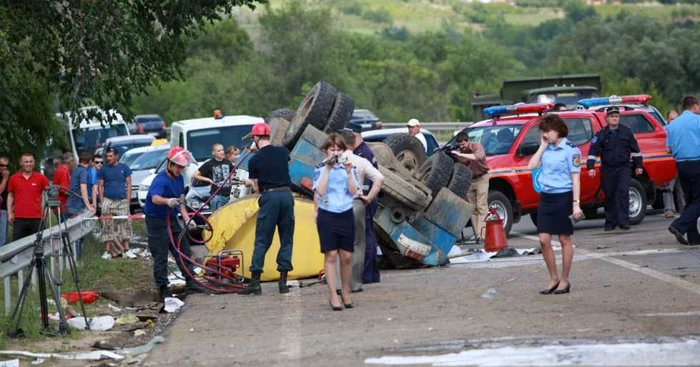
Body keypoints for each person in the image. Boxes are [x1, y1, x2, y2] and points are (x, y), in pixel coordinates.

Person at [528, 115, 583, 295]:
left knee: (564, 239)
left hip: (563, 197)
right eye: (543, 132)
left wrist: (576, 204)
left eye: (547, 131)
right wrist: (543, 146)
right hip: (546, 197)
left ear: (557, 130)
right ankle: (553, 277)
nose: (545, 135)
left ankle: (565, 280)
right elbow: (531, 165)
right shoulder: (546, 148)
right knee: (543, 239)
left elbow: (575, 178)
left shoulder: (570, 150)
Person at [145, 147, 208, 301]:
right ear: (170, 164)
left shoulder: (179, 179)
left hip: (172, 220)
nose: (180, 170)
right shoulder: (160, 180)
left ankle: (191, 281)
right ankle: (163, 289)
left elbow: (180, 200)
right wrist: (167, 201)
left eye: (182, 167)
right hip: (156, 221)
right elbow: (155, 198)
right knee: (161, 255)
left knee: (183, 249)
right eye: (178, 166)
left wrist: (187, 218)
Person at [239, 123, 295, 295]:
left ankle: (255, 282)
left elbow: (255, 188)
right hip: (286, 196)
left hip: (269, 198)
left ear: (255, 138)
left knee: (262, 240)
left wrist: (250, 181)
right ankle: (283, 282)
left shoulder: (254, 160)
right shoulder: (283, 152)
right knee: (286, 239)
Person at [313, 134, 360, 310]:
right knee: (331, 255)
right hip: (327, 213)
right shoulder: (320, 168)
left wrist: (348, 172)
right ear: (326, 150)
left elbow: (354, 191)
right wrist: (328, 169)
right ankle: (333, 294)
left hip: (345, 212)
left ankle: (346, 290)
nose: (335, 152)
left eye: (338, 149)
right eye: (332, 149)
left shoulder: (349, 168)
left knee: (346, 256)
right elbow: (320, 190)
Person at [338, 129, 384, 293]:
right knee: (358, 244)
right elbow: (379, 178)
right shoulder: (361, 159)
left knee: (339, 244)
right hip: (357, 203)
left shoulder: (331, 161)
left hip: (337, 205)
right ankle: (355, 283)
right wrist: (369, 198)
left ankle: (339, 283)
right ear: (353, 143)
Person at [586, 106, 643, 231]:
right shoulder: (601, 134)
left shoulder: (627, 132)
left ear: (619, 118)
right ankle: (610, 222)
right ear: (607, 118)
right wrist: (590, 167)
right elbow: (592, 151)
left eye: (616, 116)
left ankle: (624, 221)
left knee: (623, 193)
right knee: (610, 195)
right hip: (608, 169)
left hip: (624, 168)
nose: (614, 118)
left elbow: (635, 150)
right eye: (612, 116)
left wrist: (638, 165)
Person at [666, 96, 700, 246]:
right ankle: (679, 225)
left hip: (680, 164)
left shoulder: (672, 125)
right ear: (695, 106)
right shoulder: (698, 121)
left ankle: (693, 237)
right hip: (697, 162)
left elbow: (668, 148)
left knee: (690, 200)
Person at [451, 132, 490, 243]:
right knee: (472, 208)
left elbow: (478, 157)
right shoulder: (457, 151)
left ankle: (482, 234)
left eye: (463, 144)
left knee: (481, 205)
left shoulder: (477, 146)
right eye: (459, 145)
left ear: (467, 141)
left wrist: (461, 155)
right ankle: (478, 235)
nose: (461, 147)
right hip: (470, 180)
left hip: (482, 177)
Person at [98, 147, 135, 259]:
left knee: (125, 224)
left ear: (116, 156)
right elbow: (100, 186)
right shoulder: (103, 169)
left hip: (122, 200)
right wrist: (102, 200)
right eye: (107, 156)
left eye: (111, 156)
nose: (108, 158)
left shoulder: (124, 168)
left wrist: (128, 200)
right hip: (108, 200)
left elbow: (129, 184)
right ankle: (107, 251)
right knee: (106, 225)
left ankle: (127, 250)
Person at [7, 153, 50, 241]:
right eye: (26, 162)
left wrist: (46, 211)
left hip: (37, 217)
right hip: (19, 218)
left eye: (31, 161)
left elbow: (50, 194)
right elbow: (10, 195)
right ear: (21, 163)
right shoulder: (14, 178)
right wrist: (9, 213)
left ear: (34, 163)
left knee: (38, 244)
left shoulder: (41, 178)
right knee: (18, 246)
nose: (29, 164)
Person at [65, 151, 97, 258]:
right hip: (77, 206)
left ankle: (75, 257)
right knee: (78, 235)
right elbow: (83, 189)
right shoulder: (84, 172)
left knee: (75, 234)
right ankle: (76, 259)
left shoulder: (75, 170)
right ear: (90, 162)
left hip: (70, 205)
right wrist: (89, 205)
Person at [193, 143, 235, 211]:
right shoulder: (209, 164)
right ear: (213, 152)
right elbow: (195, 175)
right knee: (218, 219)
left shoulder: (228, 162)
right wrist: (207, 179)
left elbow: (232, 175)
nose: (221, 152)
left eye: (222, 150)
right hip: (217, 196)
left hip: (229, 196)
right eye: (219, 151)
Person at [663, 110, 682, 218]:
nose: (674, 121)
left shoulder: (681, 129)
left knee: (681, 188)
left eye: (676, 119)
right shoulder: (664, 130)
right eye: (672, 119)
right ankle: (669, 209)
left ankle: (683, 209)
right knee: (668, 187)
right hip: (668, 161)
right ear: (667, 120)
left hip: (680, 160)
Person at [53, 152, 73, 221]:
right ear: (70, 162)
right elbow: (64, 190)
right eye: (73, 161)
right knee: (66, 230)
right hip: (62, 206)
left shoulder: (60, 170)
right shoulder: (63, 172)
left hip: (60, 205)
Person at [0, 156, 10, 247]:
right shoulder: (4, 178)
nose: (4, 168)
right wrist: (5, 179)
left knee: (3, 238)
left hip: (5, 210)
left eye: (6, 166)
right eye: (2, 165)